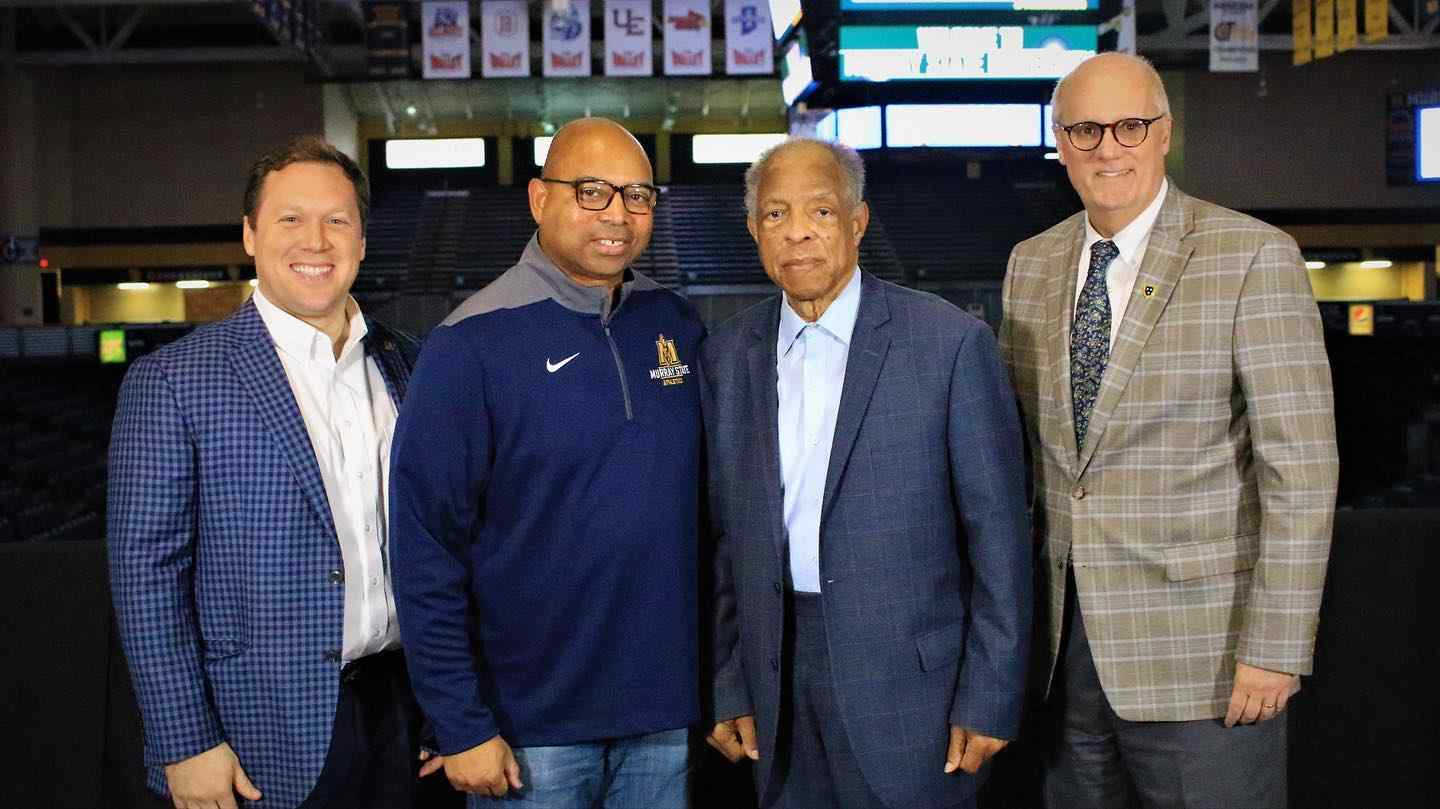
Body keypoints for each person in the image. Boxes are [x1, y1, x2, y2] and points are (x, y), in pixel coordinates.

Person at [1000, 52, 1339, 808]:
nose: (1106, 148)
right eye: (1085, 130)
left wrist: (1278, 645)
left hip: (1208, 659)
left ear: (1164, 133)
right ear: (1059, 141)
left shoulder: (1251, 255)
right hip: (1062, 657)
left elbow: (1302, 468)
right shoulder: (1031, 264)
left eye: (1129, 126)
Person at [107, 135, 438, 809]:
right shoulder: (174, 379)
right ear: (251, 235)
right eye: (291, 219)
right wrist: (183, 740)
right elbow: (145, 574)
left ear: (363, 240)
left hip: (402, 712)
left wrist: (448, 700)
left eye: (337, 220)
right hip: (256, 732)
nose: (315, 240)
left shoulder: (413, 363)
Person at [700, 138, 1032, 809]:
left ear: (857, 221)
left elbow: (1000, 538)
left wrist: (991, 693)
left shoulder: (948, 344)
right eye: (775, 215)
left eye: (820, 212)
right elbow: (724, 541)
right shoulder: (728, 354)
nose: (796, 231)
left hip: (915, 696)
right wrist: (730, 681)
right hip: (777, 688)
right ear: (753, 230)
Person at [389, 118, 704, 808]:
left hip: (662, 717)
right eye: (591, 191)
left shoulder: (676, 323)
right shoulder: (467, 344)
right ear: (539, 199)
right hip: (529, 730)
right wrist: (459, 720)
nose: (618, 213)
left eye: (638, 194)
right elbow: (423, 549)